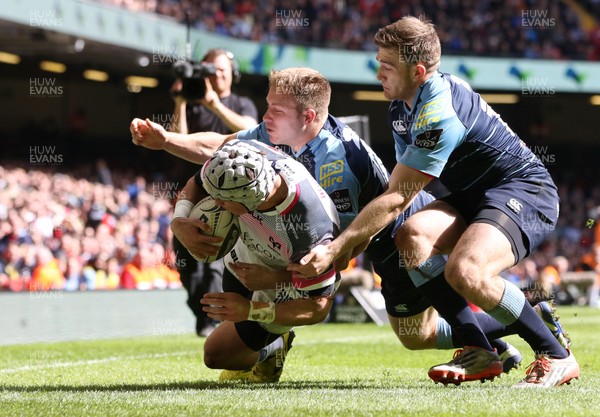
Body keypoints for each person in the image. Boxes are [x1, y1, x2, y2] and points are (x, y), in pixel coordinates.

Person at [131, 67, 555, 384]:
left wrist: (276, 278)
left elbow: (341, 252)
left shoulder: (338, 170)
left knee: (417, 334)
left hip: (390, 236)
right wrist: (167, 142)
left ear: (309, 116)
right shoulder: (280, 132)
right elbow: (224, 145)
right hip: (339, 237)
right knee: (418, 333)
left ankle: (523, 322)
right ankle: (505, 335)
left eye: (274, 108)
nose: (265, 116)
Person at [288, 16, 580, 388]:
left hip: (522, 190)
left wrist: (336, 251)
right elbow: (398, 192)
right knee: (411, 237)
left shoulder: (437, 113)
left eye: (387, 65)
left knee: (466, 271)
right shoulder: (401, 108)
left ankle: (555, 354)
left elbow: (396, 197)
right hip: (471, 197)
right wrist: (348, 248)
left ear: (419, 70)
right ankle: (479, 350)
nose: (378, 73)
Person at [171, 139, 341, 382]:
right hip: (248, 252)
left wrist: (252, 309)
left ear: (251, 204)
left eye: (222, 200)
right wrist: (178, 220)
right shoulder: (239, 159)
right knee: (231, 333)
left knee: (216, 356)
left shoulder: (311, 231)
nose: (215, 202)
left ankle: (274, 349)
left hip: (287, 282)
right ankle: (259, 342)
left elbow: (318, 308)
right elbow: (196, 182)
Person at [170, 48, 258, 337]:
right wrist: (181, 103)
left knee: (215, 265)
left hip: (230, 202)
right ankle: (203, 319)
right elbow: (176, 143)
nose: (218, 75)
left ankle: (215, 323)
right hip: (192, 196)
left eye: (222, 69)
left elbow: (250, 129)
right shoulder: (192, 107)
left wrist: (214, 104)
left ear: (234, 73)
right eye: (211, 70)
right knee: (188, 267)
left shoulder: (241, 103)